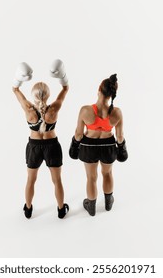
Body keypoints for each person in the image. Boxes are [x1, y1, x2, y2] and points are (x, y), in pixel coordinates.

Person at [12, 60, 70, 219]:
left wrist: (20, 77)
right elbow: (66, 88)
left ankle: (28, 209)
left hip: (34, 147)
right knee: (57, 180)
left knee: (30, 180)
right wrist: (61, 76)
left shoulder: (28, 110)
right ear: (49, 94)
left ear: (33, 95)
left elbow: (15, 88)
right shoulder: (54, 109)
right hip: (52, 146)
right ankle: (60, 209)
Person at [69, 74, 128, 216]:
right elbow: (119, 137)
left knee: (91, 177)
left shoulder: (85, 110)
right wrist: (122, 149)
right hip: (108, 147)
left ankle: (91, 207)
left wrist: (74, 146)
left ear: (99, 89)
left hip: (89, 147)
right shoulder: (117, 113)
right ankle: (108, 203)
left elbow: (78, 134)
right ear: (112, 94)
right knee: (107, 174)